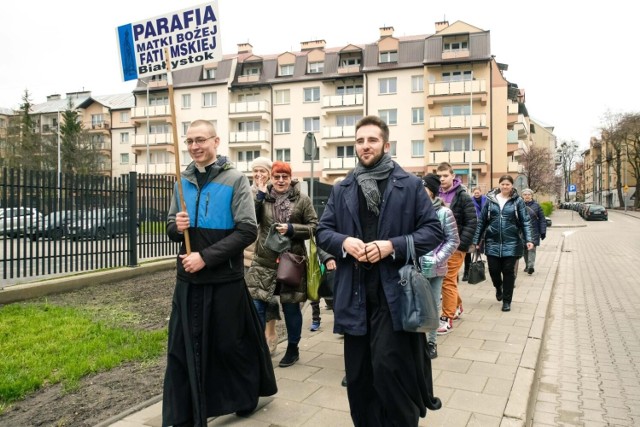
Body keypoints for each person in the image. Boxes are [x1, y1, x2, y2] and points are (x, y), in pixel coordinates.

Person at [316, 115, 444, 426]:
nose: (365, 146)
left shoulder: (410, 185)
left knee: (390, 370)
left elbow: (433, 232)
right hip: (355, 294)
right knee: (359, 377)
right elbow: (322, 231)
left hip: (395, 295)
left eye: (371, 140)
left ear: (385, 145)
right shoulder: (343, 187)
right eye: (359, 141)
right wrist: (345, 242)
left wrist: (392, 246)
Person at [163, 120, 277, 425]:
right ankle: (187, 411)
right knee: (183, 347)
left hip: (224, 279)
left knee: (229, 345)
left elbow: (246, 231)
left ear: (216, 141)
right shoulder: (182, 180)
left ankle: (244, 395)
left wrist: (206, 257)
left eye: (200, 140)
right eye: (189, 141)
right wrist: (177, 226)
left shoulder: (235, 179)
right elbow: (170, 227)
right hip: (188, 278)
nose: (194, 146)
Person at [245, 161, 318, 368]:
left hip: (291, 261)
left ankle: (293, 348)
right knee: (257, 305)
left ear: (290, 178)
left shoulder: (302, 200)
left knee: (291, 307)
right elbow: (250, 220)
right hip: (263, 261)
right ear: (271, 178)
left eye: (284, 176)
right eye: (276, 176)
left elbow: (314, 226)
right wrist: (259, 196)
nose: (280, 180)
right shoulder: (263, 197)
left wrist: (292, 229)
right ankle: (259, 349)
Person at [472, 175, 534, 312]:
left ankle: (507, 301)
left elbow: (525, 222)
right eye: (503, 184)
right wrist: (476, 241)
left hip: (511, 242)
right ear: (499, 185)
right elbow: (482, 221)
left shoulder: (518, 201)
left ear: (512, 186)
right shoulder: (490, 200)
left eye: (508, 184)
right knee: (493, 270)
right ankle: (498, 287)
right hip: (492, 241)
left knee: (508, 272)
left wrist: (529, 240)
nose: (505, 186)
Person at [243, 156, 281, 355]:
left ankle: (271, 332)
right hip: (249, 253)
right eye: (255, 171)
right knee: (251, 298)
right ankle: (255, 339)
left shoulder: (275, 193)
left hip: (269, 253)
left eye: (263, 171)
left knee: (270, 297)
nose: (258, 175)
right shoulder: (246, 192)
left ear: (269, 173)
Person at [420, 174, 460, 359]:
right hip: (413, 268)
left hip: (435, 268)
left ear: (433, 191)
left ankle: (431, 342)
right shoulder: (411, 211)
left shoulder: (444, 213)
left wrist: (437, 259)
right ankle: (416, 341)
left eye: (424, 187)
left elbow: (453, 240)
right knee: (415, 305)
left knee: (433, 305)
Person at [435, 162, 477, 335]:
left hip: (455, 246)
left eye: (445, 175)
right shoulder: (434, 194)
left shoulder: (463, 196)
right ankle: (457, 304)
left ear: (453, 176)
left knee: (447, 280)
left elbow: (472, 222)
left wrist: (460, 245)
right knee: (448, 281)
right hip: (437, 246)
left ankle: (447, 318)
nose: (442, 179)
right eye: (439, 176)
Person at [462, 187, 487, 280]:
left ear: (481, 192)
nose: (476, 194)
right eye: (475, 192)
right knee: (468, 251)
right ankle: (467, 272)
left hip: (483, 227)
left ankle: (477, 268)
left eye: (478, 192)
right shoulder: (469, 201)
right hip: (471, 227)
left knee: (479, 248)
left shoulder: (487, 200)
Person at [309, 248, 336, 331]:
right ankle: (315, 319)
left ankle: (339, 319)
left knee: (332, 291)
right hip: (313, 262)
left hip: (326, 261)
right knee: (314, 293)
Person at [521, 188, 546, 274]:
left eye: (528, 194)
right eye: (525, 194)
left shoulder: (537, 206)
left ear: (532, 196)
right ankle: (527, 265)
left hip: (534, 231)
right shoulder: (519, 205)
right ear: (522, 196)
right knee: (525, 249)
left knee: (532, 248)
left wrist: (543, 231)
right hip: (523, 231)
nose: (527, 196)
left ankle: (531, 266)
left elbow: (542, 219)